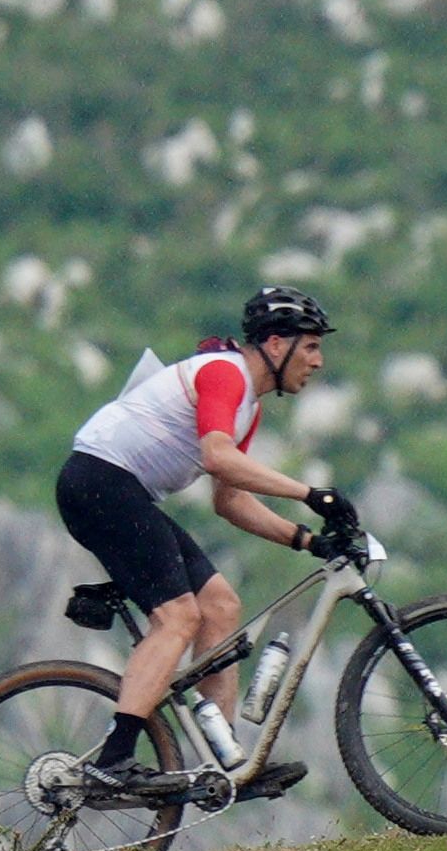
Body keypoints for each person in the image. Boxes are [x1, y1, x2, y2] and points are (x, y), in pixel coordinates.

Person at [56, 285, 358, 797]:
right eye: (311, 346)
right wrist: (311, 494)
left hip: (121, 489)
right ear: (278, 345)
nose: (319, 361)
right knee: (178, 617)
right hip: (100, 481)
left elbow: (229, 500)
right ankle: (114, 760)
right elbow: (217, 457)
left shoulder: (248, 406)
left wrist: (306, 540)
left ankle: (226, 763)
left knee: (219, 605)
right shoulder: (225, 373)